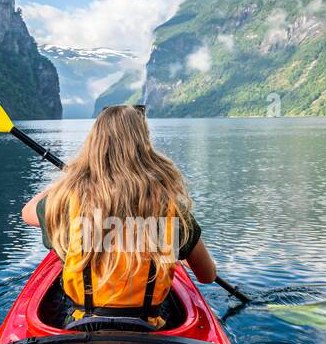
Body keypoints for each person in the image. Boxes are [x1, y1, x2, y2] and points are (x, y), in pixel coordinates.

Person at [21, 105, 217, 327]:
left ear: (95, 143)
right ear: (145, 145)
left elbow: (28, 213)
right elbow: (207, 276)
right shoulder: (171, 207)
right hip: (150, 329)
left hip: (82, 325)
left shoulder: (68, 202)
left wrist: (68, 181)